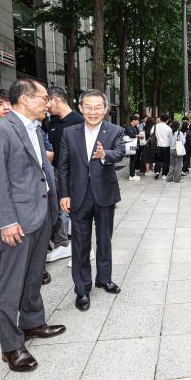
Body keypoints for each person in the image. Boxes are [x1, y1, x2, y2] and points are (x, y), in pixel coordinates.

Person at [0, 79, 66, 372]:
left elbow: (41, 171)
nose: (48, 102)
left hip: (41, 215)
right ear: (26, 99)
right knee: (10, 284)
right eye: (44, 97)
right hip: (15, 221)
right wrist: (6, 221)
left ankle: (32, 323)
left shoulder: (35, 130)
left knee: (32, 277)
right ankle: (11, 346)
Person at [58, 89, 125, 312]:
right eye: (88, 107)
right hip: (78, 196)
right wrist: (64, 194)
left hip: (104, 194)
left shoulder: (115, 130)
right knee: (80, 243)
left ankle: (104, 279)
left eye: (98, 107)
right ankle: (82, 288)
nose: (93, 112)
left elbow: (120, 152)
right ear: (81, 107)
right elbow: (64, 166)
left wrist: (104, 154)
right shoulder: (69, 132)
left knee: (104, 240)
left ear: (105, 109)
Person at [45, 87, 84, 264]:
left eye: (47, 101)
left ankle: (84, 249)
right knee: (59, 211)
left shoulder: (78, 121)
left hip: (74, 173)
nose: (46, 105)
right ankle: (63, 245)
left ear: (56, 99)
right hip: (54, 173)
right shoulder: (51, 123)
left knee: (75, 210)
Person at [152, 114, 172, 180]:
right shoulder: (168, 128)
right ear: (167, 120)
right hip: (166, 146)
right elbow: (170, 138)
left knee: (158, 160)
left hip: (158, 145)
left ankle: (157, 172)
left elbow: (151, 133)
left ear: (160, 119)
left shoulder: (155, 126)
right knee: (166, 161)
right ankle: (164, 174)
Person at [125, 115, 141, 181]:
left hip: (134, 145)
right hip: (132, 146)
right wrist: (138, 136)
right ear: (133, 120)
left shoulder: (133, 127)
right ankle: (131, 175)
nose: (138, 122)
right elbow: (131, 135)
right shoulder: (129, 127)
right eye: (137, 120)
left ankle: (133, 174)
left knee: (134, 160)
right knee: (133, 161)